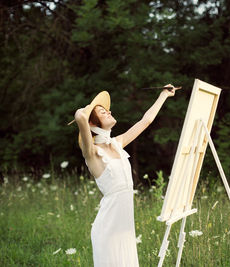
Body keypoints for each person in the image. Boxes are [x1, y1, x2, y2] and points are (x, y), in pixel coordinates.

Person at [68, 85, 180, 267]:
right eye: (103, 112)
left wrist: (163, 95)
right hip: (108, 230)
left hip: (125, 229)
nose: (109, 111)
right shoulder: (92, 152)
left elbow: (146, 121)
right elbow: (80, 117)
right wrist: (86, 112)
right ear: (92, 124)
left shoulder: (118, 143)